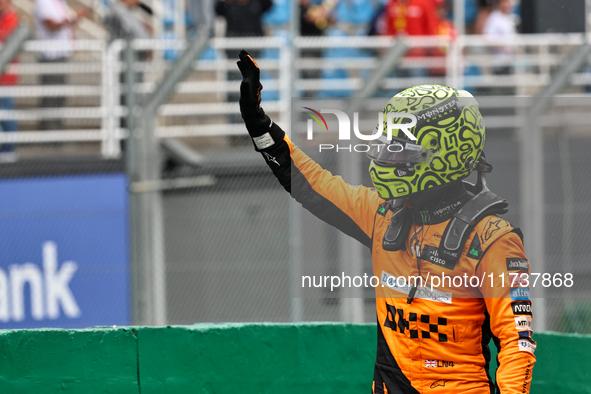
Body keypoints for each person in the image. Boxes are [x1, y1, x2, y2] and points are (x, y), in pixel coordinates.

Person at [237, 51, 536, 393]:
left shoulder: (492, 238)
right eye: (388, 147)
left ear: (445, 153)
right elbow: (312, 185)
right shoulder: (383, 213)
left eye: (402, 151)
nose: (388, 158)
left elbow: (517, 344)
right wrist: (259, 125)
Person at [33, 0, 89, 130]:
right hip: (50, 56)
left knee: (59, 96)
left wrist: (77, 16)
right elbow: (51, 26)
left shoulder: (60, 3)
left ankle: (55, 131)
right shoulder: (43, 3)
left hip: (61, 54)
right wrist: (73, 16)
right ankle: (48, 132)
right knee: (50, 97)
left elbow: (66, 23)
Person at [0, 0, 19, 161]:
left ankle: (8, 149)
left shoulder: (12, 18)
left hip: (5, 77)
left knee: (6, 113)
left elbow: (7, 39)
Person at [483, 0, 516, 74]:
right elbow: (488, 39)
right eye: (506, 2)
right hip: (499, 63)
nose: (509, 5)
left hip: (510, 61)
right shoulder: (494, 18)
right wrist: (504, 47)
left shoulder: (508, 18)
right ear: (500, 3)